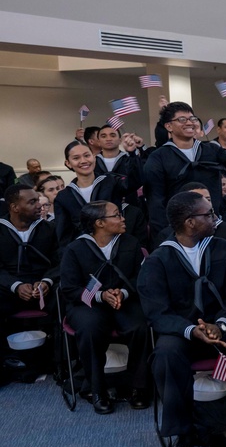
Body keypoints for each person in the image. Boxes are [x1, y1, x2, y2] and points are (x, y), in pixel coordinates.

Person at [138, 191, 226, 447]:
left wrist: (221, 324)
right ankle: (183, 435)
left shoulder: (223, 249)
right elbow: (156, 313)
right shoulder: (158, 260)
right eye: (208, 214)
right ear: (189, 222)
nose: (214, 217)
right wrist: (190, 330)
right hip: (181, 332)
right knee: (165, 355)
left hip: (221, 326)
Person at [59, 201, 148, 413]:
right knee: (90, 330)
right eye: (116, 215)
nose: (123, 218)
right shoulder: (75, 249)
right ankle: (97, 389)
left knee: (141, 327)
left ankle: (139, 387)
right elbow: (69, 289)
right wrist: (101, 296)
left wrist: (123, 292)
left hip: (124, 300)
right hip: (87, 303)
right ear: (99, 223)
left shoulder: (131, 243)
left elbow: (142, 278)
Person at [143, 99, 226, 236]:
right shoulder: (158, 157)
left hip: (212, 224)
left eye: (192, 118)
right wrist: (163, 235)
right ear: (169, 126)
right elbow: (156, 201)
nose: (190, 123)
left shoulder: (211, 150)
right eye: (182, 119)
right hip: (178, 230)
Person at [0, 185, 59, 330]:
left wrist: (47, 281)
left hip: (44, 288)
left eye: (38, 200)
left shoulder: (50, 229)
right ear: (15, 207)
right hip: (8, 289)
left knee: (64, 295)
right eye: (32, 202)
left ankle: (57, 348)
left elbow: (60, 261)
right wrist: (16, 286)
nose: (40, 206)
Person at [54, 140, 128, 247]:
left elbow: (135, 182)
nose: (83, 161)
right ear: (68, 163)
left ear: (94, 156)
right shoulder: (64, 196)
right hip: (82, 250)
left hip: (116, 245)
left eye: (87, 155)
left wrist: (132, 153)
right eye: (76, 158)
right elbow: (64, 235)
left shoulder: (111, 182)